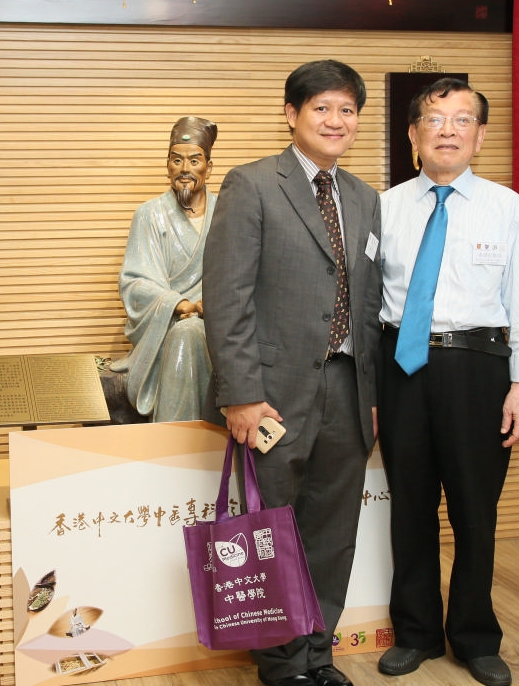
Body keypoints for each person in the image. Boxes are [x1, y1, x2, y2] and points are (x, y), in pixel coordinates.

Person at [202, 60, 382, 686]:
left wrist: (372, 394)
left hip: (347, 389)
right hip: (272, 395)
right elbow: (226, 297)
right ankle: (282, 666)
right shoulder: (251, 184)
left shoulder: (364, 198)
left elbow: (368, 304)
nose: (336, 121)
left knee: (332, 532)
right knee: (271, 530)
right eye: (321, 108)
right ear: (291, 114)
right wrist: (241, 394)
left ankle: (317, 654)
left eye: (347, 110)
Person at [375, 77, 519, 686]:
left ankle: (475, 636)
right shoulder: (383, 207)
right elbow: (366, 302)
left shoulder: (508, 207)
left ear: (480, 135)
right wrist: (369, 390)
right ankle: (415, 633)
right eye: (435, 120)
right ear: (413, 134)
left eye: (462, 120)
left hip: (478, 368)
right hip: (401, 367)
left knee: (476, 510)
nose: (448, 131)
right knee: (410, 507)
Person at [110, 116, 218, 422]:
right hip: (165, 326)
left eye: (194, 160)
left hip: (218, 325)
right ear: (167, 166)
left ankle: (178, 440)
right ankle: (179, 440)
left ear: (209, 167)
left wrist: (214, 303)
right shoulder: (149, 215)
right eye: (176, 160)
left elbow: (245, 275)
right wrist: (178, 303)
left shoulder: (228, 212)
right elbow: (135, 283)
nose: (185, 169)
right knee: (186, 332)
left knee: (192, 331)